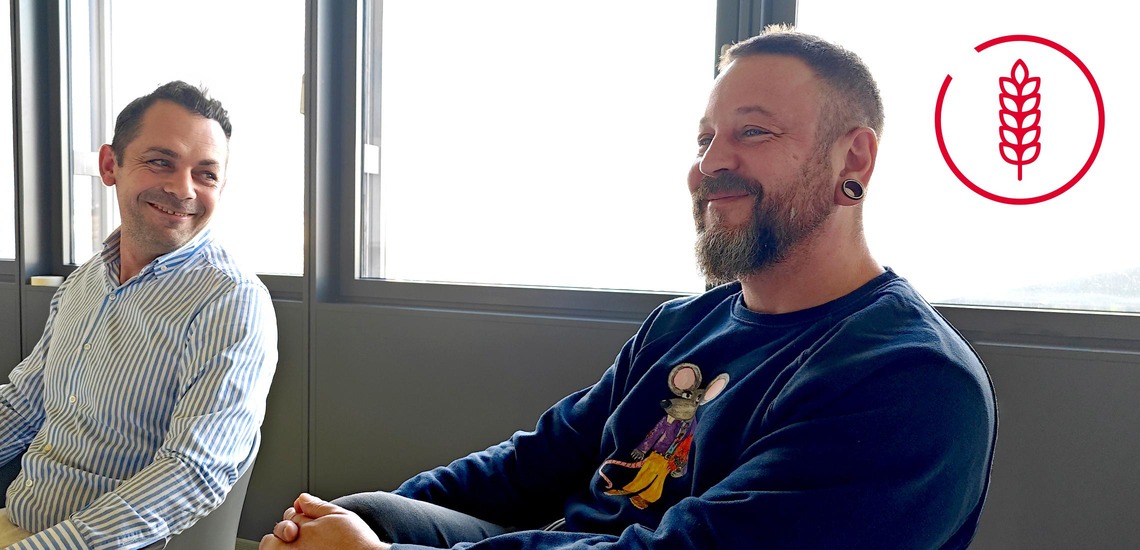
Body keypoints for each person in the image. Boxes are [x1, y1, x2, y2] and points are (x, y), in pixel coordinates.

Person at [261, 25, 997, 549]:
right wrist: (336, 524)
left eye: (754, 132)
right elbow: (533, 463)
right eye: (705, 138)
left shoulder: (909, 379)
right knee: (364, 514)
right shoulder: (683, 325)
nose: (712, 163)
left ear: (854, 159)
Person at [0, 81, 278, 549]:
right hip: (21, 523)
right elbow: (22, 406)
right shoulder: (84, 283)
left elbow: (192, 471)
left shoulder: (230, 301)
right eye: (161, 162)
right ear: (111, 165)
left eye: (206, 174)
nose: (183, 189)